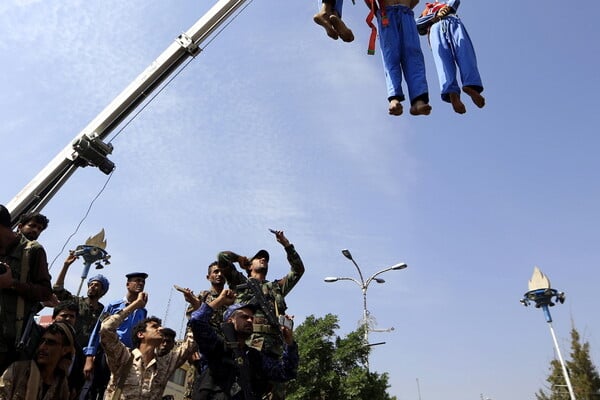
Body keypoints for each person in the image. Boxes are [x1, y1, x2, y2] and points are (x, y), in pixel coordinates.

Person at [218, 230, 304, 400]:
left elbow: (298, 270)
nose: (263, 259)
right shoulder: (240, 282)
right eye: (259, 257)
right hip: (248, 349)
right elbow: (222, 257)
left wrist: (286, 245)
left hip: (273, 353)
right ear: (250, 265)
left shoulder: (276, 287)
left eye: (266, 259)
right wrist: (240, 258)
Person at [189, 289, 298, 400]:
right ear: (230, 321)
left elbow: (286, 371)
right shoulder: (215, 346)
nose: (250, 320)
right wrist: (221, 300)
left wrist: (289, 342)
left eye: (252, 318)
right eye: (244, 317)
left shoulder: (254, 356)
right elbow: (197, 320)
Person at [100, 291, 196, 399]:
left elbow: (191, 343)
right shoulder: (123, 356)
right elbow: (106, 328)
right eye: (155, 327)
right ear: (141, 334)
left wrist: (196, 310)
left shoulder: (166, 363)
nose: (161, 329)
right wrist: (135, 305)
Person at [0, 204, 52, 375]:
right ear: (19, 226)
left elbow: (45, 292)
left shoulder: (33, 251)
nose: (36, 230)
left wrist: (12, 284)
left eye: (39, 228)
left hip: (9, 338)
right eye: (33, 225)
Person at [82, 271, 148, 400]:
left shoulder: (142, 311)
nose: (141, 284)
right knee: (96, 388)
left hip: (126, 357)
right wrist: (90, 357)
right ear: (128, 285)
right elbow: (98, 330)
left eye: (143, 282)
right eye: (137, 280)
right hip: (106, 353)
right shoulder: (113, 306)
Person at [416, 0, 484, 114]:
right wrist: (434, 16)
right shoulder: (425, 11)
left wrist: (447, 8)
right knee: (443, 61)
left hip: (452, 20)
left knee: (464, 51)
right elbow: (417, 24)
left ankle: (471, 85)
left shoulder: (444, 3)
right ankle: (452, 93)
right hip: (434, 28)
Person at [369, 0, 431, 116]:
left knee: (413, 56)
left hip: (406, 13)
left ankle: (418, 100)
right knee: (391, 57)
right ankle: (394, 98)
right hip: (385, 14)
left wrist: (406, 7)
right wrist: (377, 13)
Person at [180, 262, 228, 399]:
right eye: (216, 272)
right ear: (208, 277)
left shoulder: (231, 298)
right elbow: (192, 323)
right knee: (195, 389)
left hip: (222, 353)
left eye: (222, 272)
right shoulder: (203, 296)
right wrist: (191, 350)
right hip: (202, 352)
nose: (219, 274)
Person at [0, 322, 75, 400]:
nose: (42, 347)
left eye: (50, 343)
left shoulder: (61, 385)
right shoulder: (18, 370)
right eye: (42, 341)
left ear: (65, 350)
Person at [53, 251, 109, 348]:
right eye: (91, 284)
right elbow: (57, 290)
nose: (92, 287)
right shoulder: (76, 302)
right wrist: (66, 266)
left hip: (87, 353)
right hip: (68, 347)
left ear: (103, 291)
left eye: (96, 285)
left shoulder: (104, 312)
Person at [52, 302, 86, 400]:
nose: (68, 319)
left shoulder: (78, 350)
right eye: (64, 315)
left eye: (72, 316)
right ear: (54, 318)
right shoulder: (41, 338)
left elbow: (78, 375)